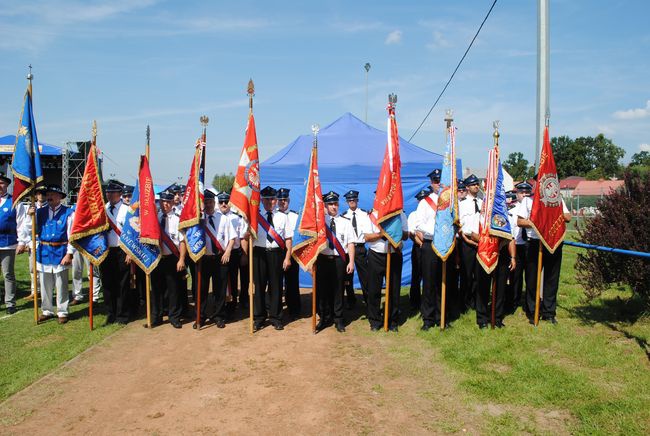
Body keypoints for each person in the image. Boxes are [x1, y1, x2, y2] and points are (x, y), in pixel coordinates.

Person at [517, 182, 571, 325]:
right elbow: (520, 221)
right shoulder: (528, 200)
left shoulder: (556, 199)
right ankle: (532, 311)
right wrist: (537, 222)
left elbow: (568, 217)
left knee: (551, 279)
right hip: (534, 243)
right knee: (532, 279)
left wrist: (551, 215)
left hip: (553, 242)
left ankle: (549, 312)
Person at [252, 186, 292, 331]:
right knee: (260, 286)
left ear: (276, 200)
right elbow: (247, 236)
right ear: (261, 200)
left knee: (276, 287)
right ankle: (259, 317)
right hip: (259, 253)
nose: (270, 202)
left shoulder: (283, 217)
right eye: (266, 199)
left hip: (276, 254)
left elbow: (288, 239)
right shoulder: (255, 216)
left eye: (272, 199)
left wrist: (287, 258)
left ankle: (276, 317)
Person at [194, 190, 235, 329]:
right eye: (206, 202)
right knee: (202, 289)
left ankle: (219, 316)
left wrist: (228, 251)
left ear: (214, 202)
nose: (208, 204)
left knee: (220, 289)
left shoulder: (224, 218)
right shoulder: (198, 219)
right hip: (203, 259)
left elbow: (232, 238)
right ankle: (201, 316)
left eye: (211, 201)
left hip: (220, 258)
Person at [315, 191, 355, 333]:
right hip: (323, 260)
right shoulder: (319, 222)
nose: (334, 207)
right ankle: (324, 318)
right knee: (322, 290)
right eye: (330, 204)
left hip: (339, 260)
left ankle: (339, 319)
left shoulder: (345, 222)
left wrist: (351, 262)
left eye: (336, 204)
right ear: (325, 206)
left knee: (339, 290)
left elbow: (350, 243)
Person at [34, 185, 75, 324]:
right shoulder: (39, 212)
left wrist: (69, 254)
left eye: (53, 194)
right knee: (45, 284)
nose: (50, 196)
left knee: (61, 284)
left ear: (60, 197)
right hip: (44, 252)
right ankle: (47, 310)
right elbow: (32, 231)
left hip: (60, 252)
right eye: (48, 194)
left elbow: (72, 236)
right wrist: (30, 216)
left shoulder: (68, 213)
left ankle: (62, 311)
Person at [468, 214, 516, 329]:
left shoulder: (506, 217)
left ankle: (497, 318)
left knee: (500, 289)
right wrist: (487, 243)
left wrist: (513, 257)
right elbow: (473, 234)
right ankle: (482, 319)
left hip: (502, 254)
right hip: (485, 253)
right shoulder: (480, 215)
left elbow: (511, 238)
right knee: (483, 287)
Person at [365, 207, 408, 332]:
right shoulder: (372, 215)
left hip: (394, 254)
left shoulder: (400, 215)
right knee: (374, 289)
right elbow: (367, 237)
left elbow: (405, 235)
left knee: (394, 289)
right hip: (376, 255)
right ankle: (375, 320)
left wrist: (395, 231)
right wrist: (382, 234)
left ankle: (392, 320)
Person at [151, 190, 187, 328]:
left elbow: (182, 241)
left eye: (168, 201)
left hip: (173, 258)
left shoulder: (178, 219)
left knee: (173, 289)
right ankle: (156, 316)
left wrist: (182, 259)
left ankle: (174, 317)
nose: (165, 204)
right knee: (156, 289)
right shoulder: (155, 218)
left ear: (172, 203)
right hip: (157, 258)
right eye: (163, 201)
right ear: (159, 202)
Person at [100, 180, 130, 325]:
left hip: (122, 250)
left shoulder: (127, 210)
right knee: (107, 283)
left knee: (122, 283)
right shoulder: (102, 209)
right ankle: (110, 313)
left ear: (119, 194)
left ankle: (122, 314)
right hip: (105, 250)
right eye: (108, 192)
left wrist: (130, 252)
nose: (109, 195)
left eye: (113, 192)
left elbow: (132, 233)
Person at [414, 178, 442, 330]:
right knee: (429, 282)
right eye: (436, 181)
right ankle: (428, 319)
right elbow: (419, 224)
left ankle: (441, 316)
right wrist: (436, 231)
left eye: (440, 181)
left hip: (444, 245)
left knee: (442, 282)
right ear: (431, 183)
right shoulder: (425, 202)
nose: (438, 184)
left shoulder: (448, 201)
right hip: (430, 243)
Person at [341, 190, 372, 308]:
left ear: (357, 200)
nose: (351, 202)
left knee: (365, 277)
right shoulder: (343, 216)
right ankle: (351, 300)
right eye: (349, 200)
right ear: (347, 202)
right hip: (348, 249)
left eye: (353, 199)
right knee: (347, 278)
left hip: (360, 248)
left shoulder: (365, 214)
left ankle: (368, 301)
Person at [458, 174, 482, 312]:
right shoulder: (462, 204)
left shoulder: (481, 202)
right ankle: (464, 302)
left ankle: (475, 300)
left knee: (478, 274)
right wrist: (466, 239)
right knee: (466, 273)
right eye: (473, 184)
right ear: (467, 187)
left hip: (480, 241)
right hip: (467, 242)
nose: (476, 186)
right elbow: (459, 224)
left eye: (477, 184)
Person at [17, 186, 46, 302]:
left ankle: (44, 290)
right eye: (38, 194)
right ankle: (34, 291)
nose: (40, 196)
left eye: (43, 194)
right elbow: (25, 227)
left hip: (45, 241)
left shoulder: (49, 208)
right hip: (33, 240)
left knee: (45, 268)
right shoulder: (30, 208)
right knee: (32, 268)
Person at [506, 182, 531, 313]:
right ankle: (513, 302)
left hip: (529, 245)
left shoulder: (533, 209)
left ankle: (528, 303)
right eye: (522, 192)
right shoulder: (511, 212)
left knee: (530, 277)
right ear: (517, 194)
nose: (525, 195)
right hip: (517, 245)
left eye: (527, 192)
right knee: (515, 277)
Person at [276, 188, 301, 319]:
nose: (282, 202)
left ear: (289, 201)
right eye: (280, 200)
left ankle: (294, 308)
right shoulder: (272, 215)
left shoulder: (295, 216)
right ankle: (275, 308)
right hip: (276, 252)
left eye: (285, 200)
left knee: (292, 282)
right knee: (276, 281)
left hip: (291, 252)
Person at [407, 188, 431, 310]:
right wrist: (421, 244)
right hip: (418, 247)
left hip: (430, 246)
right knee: (416, 275)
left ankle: (428, 301)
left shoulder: (432, 212)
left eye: (424, 198)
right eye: (420, 199)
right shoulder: (413, 215)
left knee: (429, 275)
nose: (422, 200)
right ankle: (415, 300)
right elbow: (412, 233)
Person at [0, 172, 18, 315]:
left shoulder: (14, 202)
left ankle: (10, 302)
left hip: (7, 243)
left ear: (6, 185)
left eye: (2, 183)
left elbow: (21, 222)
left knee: (8, 274)